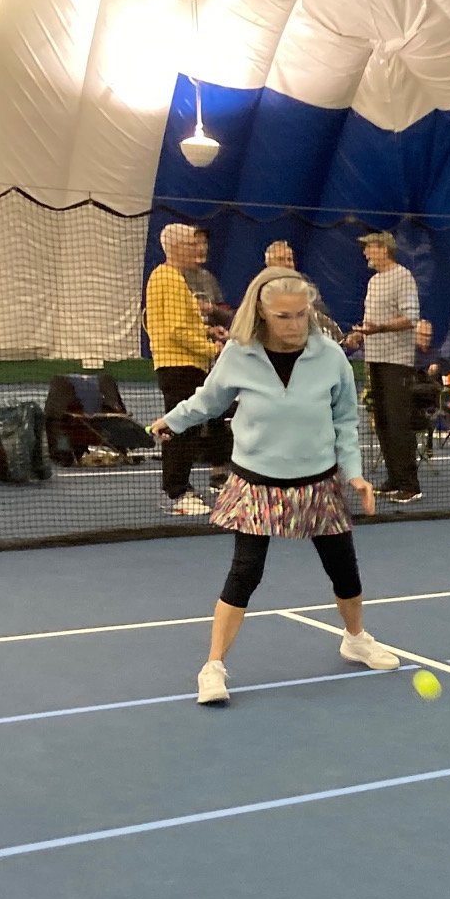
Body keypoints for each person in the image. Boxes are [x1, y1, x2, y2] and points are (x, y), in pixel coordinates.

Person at [148, 268, 400, 705]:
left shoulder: (330, 356)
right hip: (256, 481)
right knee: (245, 572)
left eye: (302, 313)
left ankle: (356, 639)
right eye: (284, 316)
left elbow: (345, 420)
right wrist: (173, 421)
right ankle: (213, 667)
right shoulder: (239, 353)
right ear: (262, 313)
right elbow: (209, 400)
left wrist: (354, 473)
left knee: (344, 569)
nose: (295, 323)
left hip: (318, 481)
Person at [145, 223, 229, 515]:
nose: (198, 249)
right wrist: (212, 349)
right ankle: (175, 493)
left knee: (188, 428)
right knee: (181, 428)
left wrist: (209, 332)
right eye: (192, 244)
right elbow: (176, 331)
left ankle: (179, 488)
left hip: (186, 365)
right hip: (179, 366)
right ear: (176, 247)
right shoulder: (167, 278)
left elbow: (183, 325)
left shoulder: (174, 278)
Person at [344, 230, 433, 503]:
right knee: (382, 422)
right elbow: (370, 321)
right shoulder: (373, 281)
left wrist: (379, 329)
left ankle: (410, 485)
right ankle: (394, 479)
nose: (365, 252)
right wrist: (359, 335)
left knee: (398, 422)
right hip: (374, 359)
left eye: (369, 247)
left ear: (384, 249)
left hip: (397, 362)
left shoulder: (403, 276)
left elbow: (410, 318)